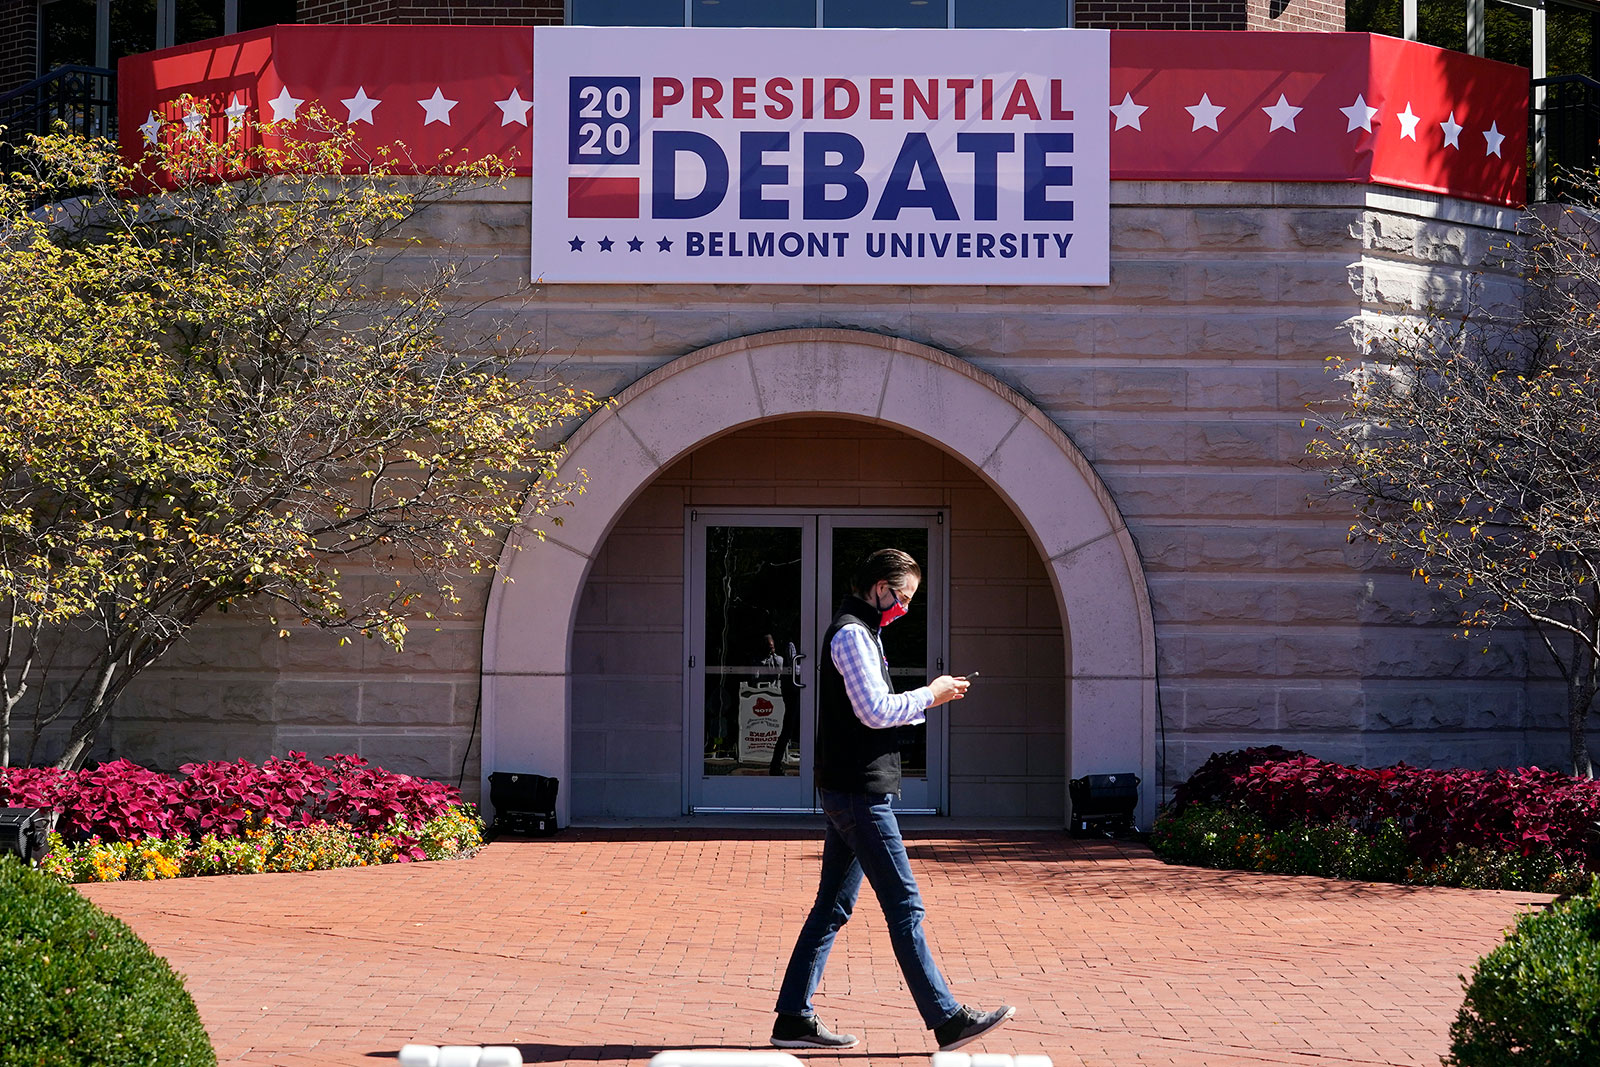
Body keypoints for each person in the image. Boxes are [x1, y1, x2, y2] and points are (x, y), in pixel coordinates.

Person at [770, 548, 1015, 1052]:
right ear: (879, 587)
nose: (905, 606)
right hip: (860, 793)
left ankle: (793, 1017)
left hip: (850, 788)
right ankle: (947, 1019)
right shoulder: (853, 634)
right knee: (904, 904)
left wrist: (931, 697)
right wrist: (932, 693)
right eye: (902, 596)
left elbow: (873, 711)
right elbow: (875, 711)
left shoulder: (864, 632)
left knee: (832, 907)